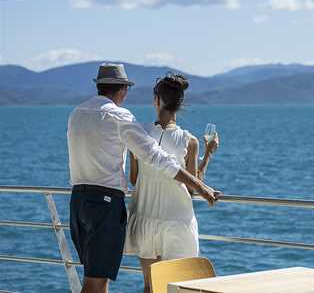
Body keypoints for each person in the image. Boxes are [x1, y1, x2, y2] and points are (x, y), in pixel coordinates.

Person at [67, 63, 220, 293]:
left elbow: (136, 176)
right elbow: (157, 157)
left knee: (98, 278)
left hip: (80, 203)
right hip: (110, 206)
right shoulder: (120, 117)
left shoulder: (77, 113)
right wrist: (201, 182)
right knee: (97, 282)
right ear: (122, 89)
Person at [125, 73, 218, 293]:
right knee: (177, 289)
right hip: (177, 222)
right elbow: (193, 186)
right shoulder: (189, 141)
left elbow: (134, 179)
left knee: (150, 287)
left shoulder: (139, 134)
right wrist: (208, 155)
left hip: (145, 219)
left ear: (157, 100)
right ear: (180, 103)